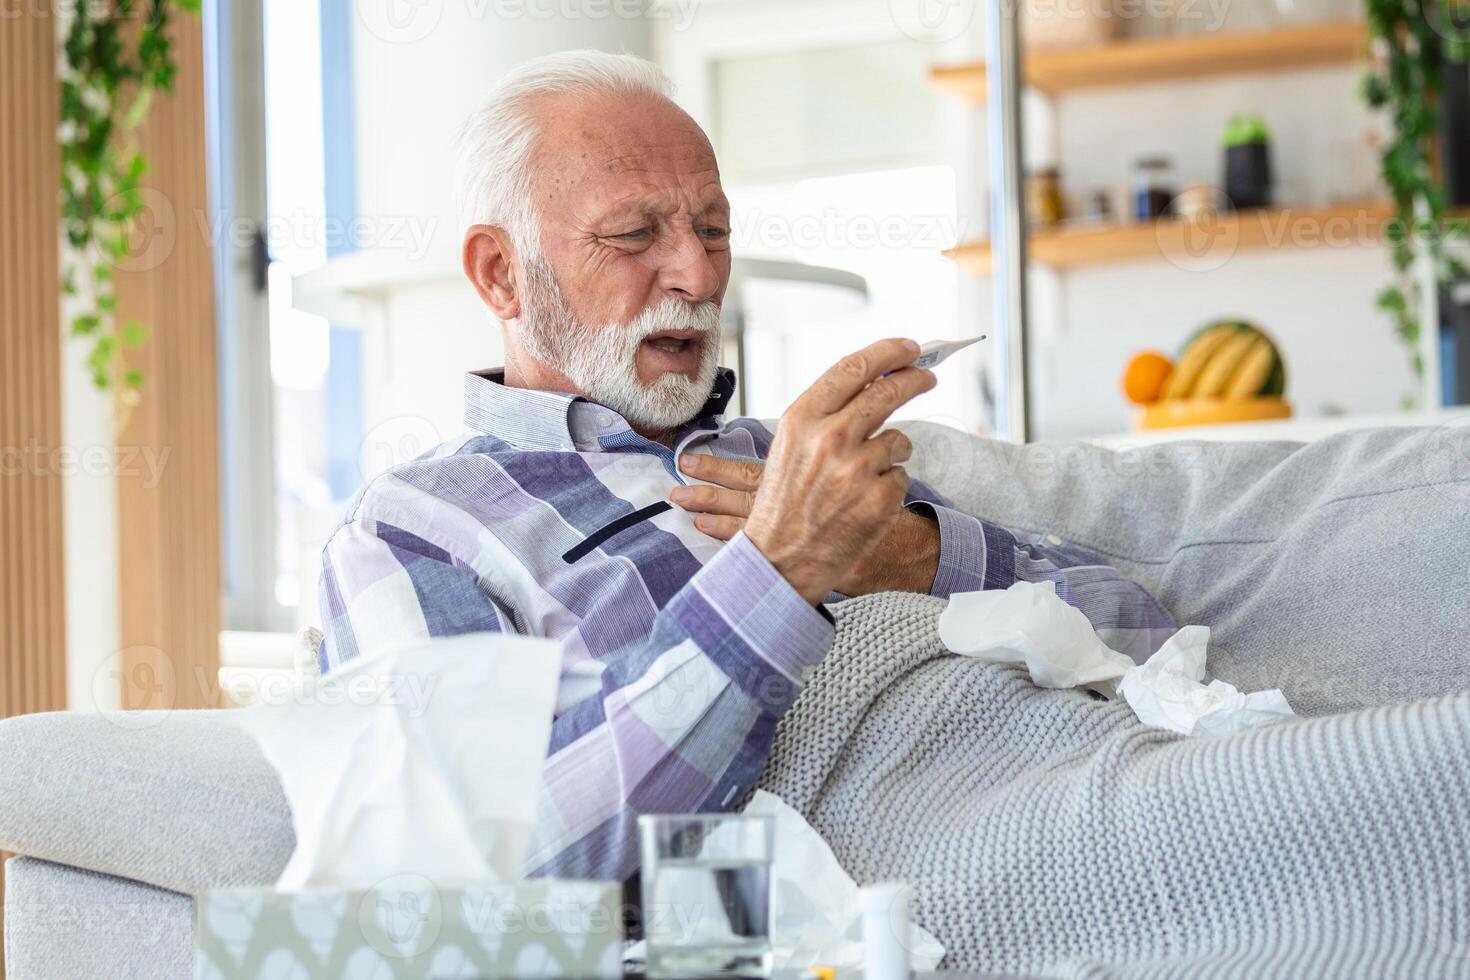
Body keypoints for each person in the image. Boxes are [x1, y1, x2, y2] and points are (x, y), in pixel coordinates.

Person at [317, 50, 1172, 883]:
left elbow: (1151, 643)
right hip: (920, 882)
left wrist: (907, 556)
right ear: (502, 275)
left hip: (1099, 787)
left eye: (713, 229)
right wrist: (779, 570)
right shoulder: (412, 527)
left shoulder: (793, 460)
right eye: (633, 234)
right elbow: (484, 859)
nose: (696, 273)